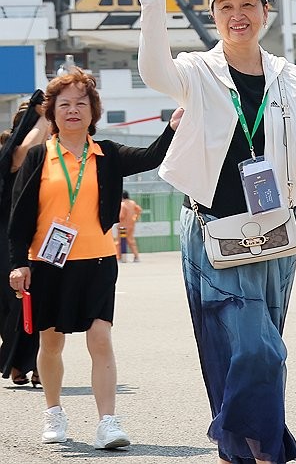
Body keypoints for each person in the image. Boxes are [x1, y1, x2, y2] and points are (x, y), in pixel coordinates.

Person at [119, 0, 296, 464]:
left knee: (259, 338)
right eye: (225, 6)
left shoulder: (289, 78)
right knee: (250, 343)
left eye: (247, 4)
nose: (236, 14)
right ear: (214, 15)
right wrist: (152, 4)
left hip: (275, 229)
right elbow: (154, 72)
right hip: (213, 227)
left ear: (265, 12)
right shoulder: (198, 71)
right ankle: (264, 446)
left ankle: (236, 441)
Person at [7, 69, 179, 449]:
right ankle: (53, 412)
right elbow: (19, 219)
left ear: (93, 111)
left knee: (100, 338)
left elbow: (153, 156)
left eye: (80, 104)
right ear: (51, 113)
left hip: (99, 261)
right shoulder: (39, 156)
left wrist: (172, 126)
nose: (72, 111)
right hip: (46, 263)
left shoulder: (109, 154)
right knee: (50, 343)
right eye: (64, 104)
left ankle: (108, 423)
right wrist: (18, 263)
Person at [1, 95, 49, 387]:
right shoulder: (10, 152)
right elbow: (22, 152)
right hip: (9, 237)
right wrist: (42, 116)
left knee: (42, 302)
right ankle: (18, 361)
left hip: (42, 234)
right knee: (12, 304)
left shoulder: (51, 154)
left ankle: (38, 364)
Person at [114, 191, 142, 262]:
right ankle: (136, 257)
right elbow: (139, 210)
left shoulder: (122, 204)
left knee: (119, 242)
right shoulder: (132, 203)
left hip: (123, 226)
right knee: (131, 241)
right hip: (131, 225)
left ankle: (119, 257)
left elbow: (121, 216)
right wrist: (135, 218)